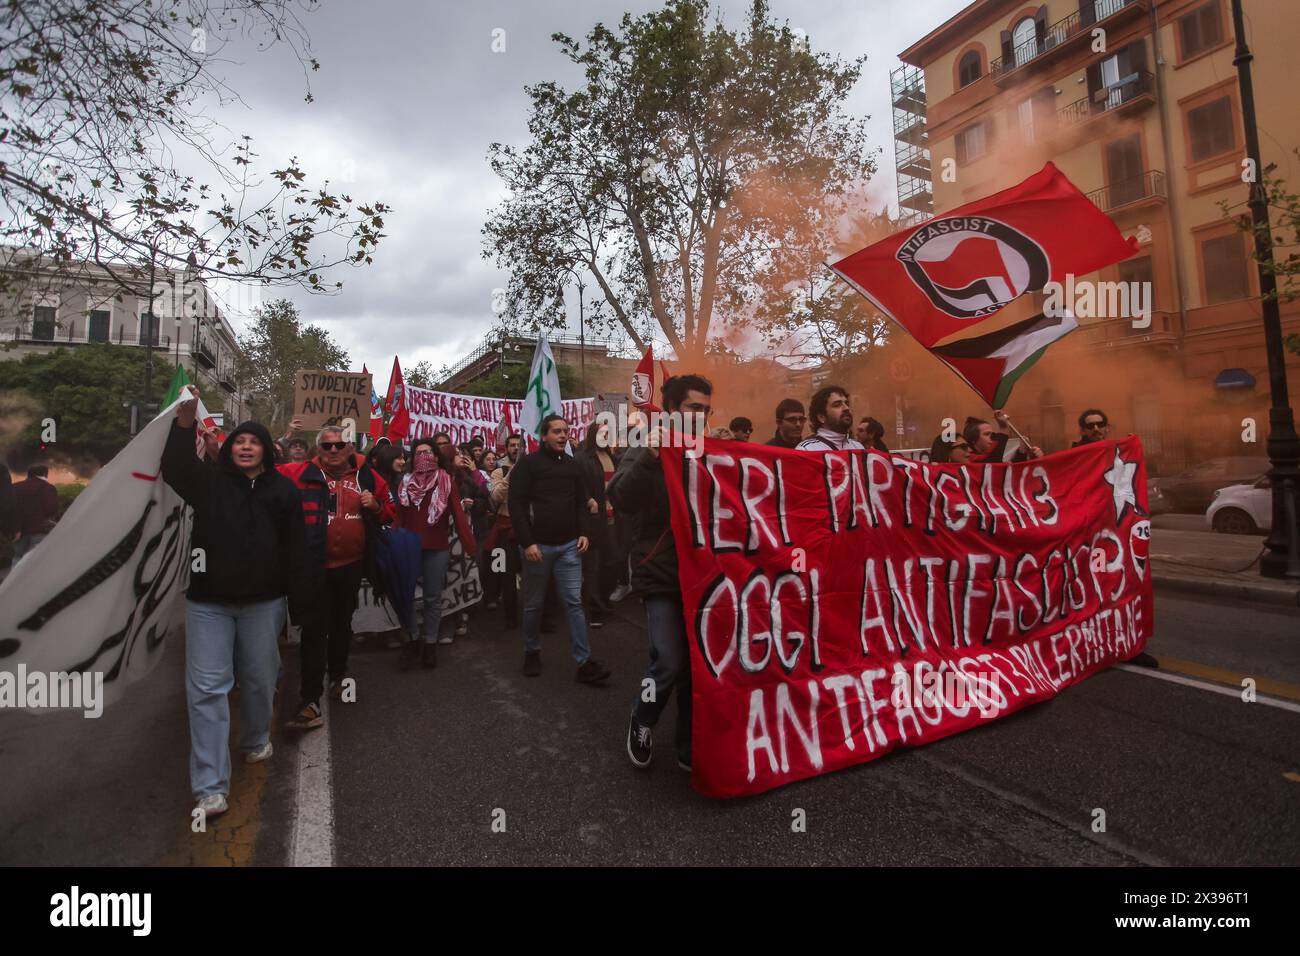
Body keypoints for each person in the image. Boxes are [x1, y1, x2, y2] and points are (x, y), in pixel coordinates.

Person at [161, 392, 305, 819]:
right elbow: (175, 468)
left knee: (260, 680)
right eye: (238, 441)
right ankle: (209, 786)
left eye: (253, 441)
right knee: (207, 690)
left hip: (263, 603)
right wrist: (184, 423)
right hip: (208, 604)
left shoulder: (283, 491)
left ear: (265, 450)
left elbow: (296, 546)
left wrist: (298, 597)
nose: (245, 446)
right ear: (228, 449)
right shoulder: (208, 483)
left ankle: (255, 737)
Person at [613, 374, 713, 771]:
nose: (701, 416)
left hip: (705, 573)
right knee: (669, 660)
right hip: (661, 569)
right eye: (693, 408)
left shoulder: (710, 450)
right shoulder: (646, 445)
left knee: (699, 664)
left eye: (706, 410)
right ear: (672, 411)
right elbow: (619, 495)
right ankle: (643, 717)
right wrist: (649, 455)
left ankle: (689, 743)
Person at [280, 425, 395, 730]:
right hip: (313, 567)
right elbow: (263, 473)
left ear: (349, 449)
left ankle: (339, 676)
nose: (333, 451)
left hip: (351, 566)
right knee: (314, 630)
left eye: (339, 445)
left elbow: (391, 513)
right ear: (318, 449)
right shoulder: (299, 473)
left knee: (343, 624)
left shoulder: (368, 476)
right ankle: (309, 700)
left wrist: (377, 506)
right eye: (327, 446)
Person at [507, 414, 610, 683]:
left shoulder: (573, 466)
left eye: (565, 431)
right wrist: (527, 542)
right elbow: (516, 506)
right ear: (543, 436)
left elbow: (581, 502)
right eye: (556, 431)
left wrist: (585, 532)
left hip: (568, 547)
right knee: (533, 604)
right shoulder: (528, 465)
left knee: (574, 603)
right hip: (537, 548)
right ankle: (531, 651)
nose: (562, 435)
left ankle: (584, 662)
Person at [392, 435, 477, 667]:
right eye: (419, 453)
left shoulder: (446, 481)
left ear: (436, 457)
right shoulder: (405, 482)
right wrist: (391, 543)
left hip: (437, 547)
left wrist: (470, 546)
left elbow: (458, 516)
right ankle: (412, 639)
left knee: (433, 598)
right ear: (413, 457)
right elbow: (399, 517)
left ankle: (430, 644)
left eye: (428, 453)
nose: (424, 457)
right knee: (406, 598)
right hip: (409, 547)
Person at [578, 421, 618, 628]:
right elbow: (576, 484)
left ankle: (603, 599)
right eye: (602, 432)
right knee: (592, 567)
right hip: (594, 520)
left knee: (612, 562)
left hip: (612, 518)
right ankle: (592, 610)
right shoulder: (583, 458)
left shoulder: (610, 456)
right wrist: (588, 499)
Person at [486, 434, 525, 627]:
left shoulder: (530, 468)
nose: (516, 448)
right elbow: (495, 498)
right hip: (504, 529)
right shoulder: (498, 472)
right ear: (506, 448)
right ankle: (510, 616)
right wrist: (512, 473)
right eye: (512, 445)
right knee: (505, 574)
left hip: (527, 527)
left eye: (519, 445)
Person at [10, 464, 60, 564]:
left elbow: (9, 509)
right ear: (45, 474)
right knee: (36, 562)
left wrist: (16, 528)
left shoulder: (15, 487)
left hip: (18, 531)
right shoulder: (48, 488)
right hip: (39, 529)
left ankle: (16, 579)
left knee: (18, 557)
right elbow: (51, 509)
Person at [796, 386, 864, 451]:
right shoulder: (807, 449)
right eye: (837, 405)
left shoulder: (858, 447)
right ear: (821, 417)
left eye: (847, 404)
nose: (846, 408)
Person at [964, 413, 1042, 463]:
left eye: (992, 434)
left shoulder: (993, 455)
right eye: (987, 434)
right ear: (973, 439)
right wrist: (1003, 428)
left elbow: (1006, 473)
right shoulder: (967, 459)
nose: (992, 438)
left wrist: (1023, 453)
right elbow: (992, 465)